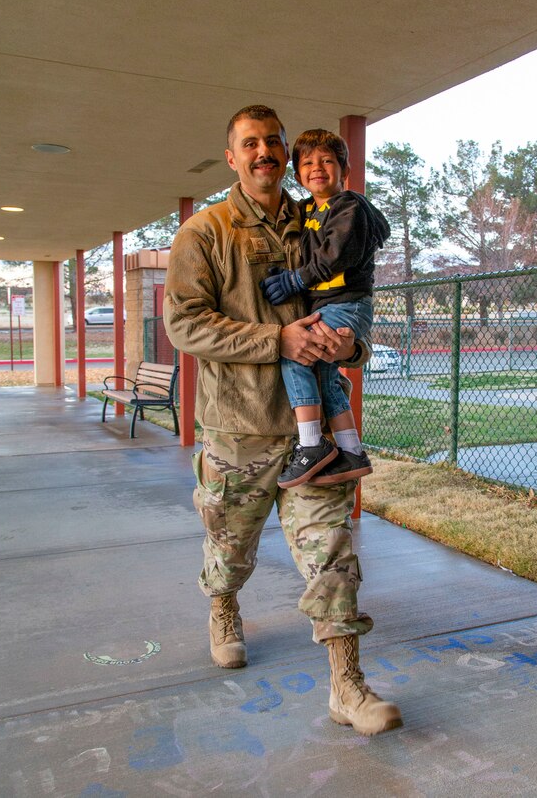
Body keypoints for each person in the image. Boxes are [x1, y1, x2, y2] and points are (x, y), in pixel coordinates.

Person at [163, 105, 402, 736]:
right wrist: (278, 340)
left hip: (315, 438)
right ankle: (224, 605)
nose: (265, 152)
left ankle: (347, 685)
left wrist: (352, 349)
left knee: (333, 554)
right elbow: (184, 324)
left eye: (274, 142)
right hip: (238, 428)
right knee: (229, 546)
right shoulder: (205, 232)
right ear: (233, 157)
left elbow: (354, 302)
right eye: (251, 144)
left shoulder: (324, 219)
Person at [259, 129, 389, 489]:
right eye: (308, 163)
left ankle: (312, 444)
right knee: (325, 374)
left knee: (298, 356)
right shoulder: (307, 210)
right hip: (330, 304)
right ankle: (350, 450)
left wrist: (295, 281)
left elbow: (335, 255)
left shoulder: (349, 206)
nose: (318, 168)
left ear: (343, 168)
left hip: (345, 303)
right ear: (298, 173)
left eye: (327, 161)